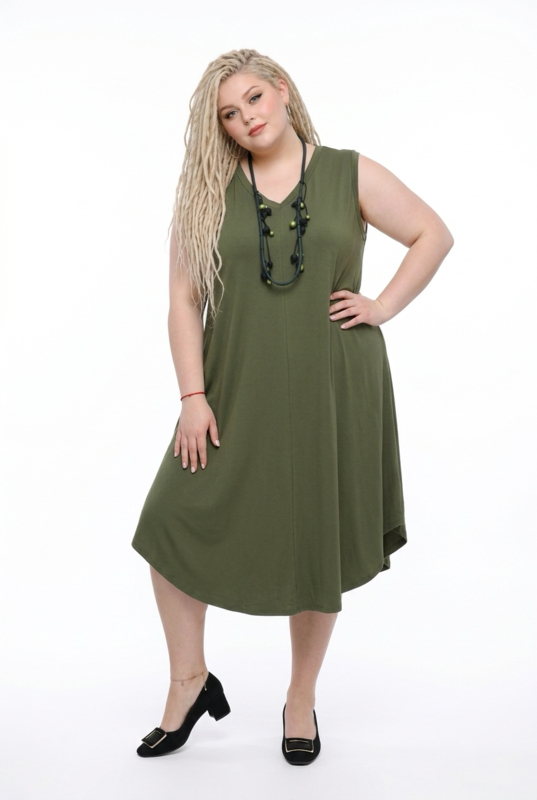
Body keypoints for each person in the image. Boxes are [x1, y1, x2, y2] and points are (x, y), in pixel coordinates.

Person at [131, 48, 454, 765]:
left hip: (332, 382)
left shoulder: (348, 172)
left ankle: (300, 697)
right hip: (232, 386)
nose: (246, 117)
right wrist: (192, 397)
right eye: (229, 113)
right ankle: (189, 681)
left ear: (281, 90)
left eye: (253, 98)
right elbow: (182, 302)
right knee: (169, 520)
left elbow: (432, 234)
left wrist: (381, 305)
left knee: (315, 537)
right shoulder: (207, 190)